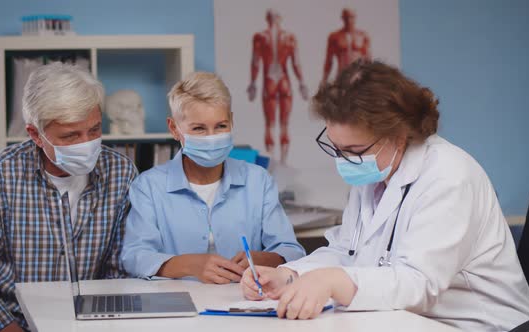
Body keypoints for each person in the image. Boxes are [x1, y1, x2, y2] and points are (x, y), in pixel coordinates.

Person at [240, 60, 529, 331]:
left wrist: (333, 281)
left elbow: (419, 284)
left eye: (354, 152)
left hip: (477, 325)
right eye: (336, 148)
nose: (343, 161)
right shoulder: (375, 172)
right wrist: (289, 275)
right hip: (404, 319)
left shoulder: (449, 177)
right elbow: (346, 251)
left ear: (399, 134)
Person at [0, 63, 137, 332]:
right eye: (70, 135)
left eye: (94, 130)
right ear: (35, 135)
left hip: (87, 318)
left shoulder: (121, 172)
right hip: (5, 318)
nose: (86, 144)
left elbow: (118, 272)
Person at [122, 72, 305, 284]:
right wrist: (190, 265)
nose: (212, 138)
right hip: (177, 303)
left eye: (220, 126)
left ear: (232, 121)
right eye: (199, 128)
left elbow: (292, 251)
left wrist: (264, 259)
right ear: (174, 128)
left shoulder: (258, 181)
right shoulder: (148, 186)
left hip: (245, 300)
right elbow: (135, 257)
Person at [247, 9, 309, 164]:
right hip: (284, 80)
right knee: (284, 124)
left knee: (270, 124)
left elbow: (256, 62)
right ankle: (282, 161)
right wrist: (301, 83)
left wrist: (253, 83)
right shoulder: (288, 37)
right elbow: (296, 63)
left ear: (267, 19)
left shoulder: (261, 37)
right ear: (280, 19)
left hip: (270, 81)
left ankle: (274, 160)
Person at [321, 8, 371, 84]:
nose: (349, 20)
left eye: (351, 17)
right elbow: (329, 61)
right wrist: (324, 79)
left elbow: (368, 59)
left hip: (359, 75)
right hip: (342, 76)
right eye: (346, 17)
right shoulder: (334, 36)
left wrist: (370, 76)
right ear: (342, 18)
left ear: (355, 18)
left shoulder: (363, 36)